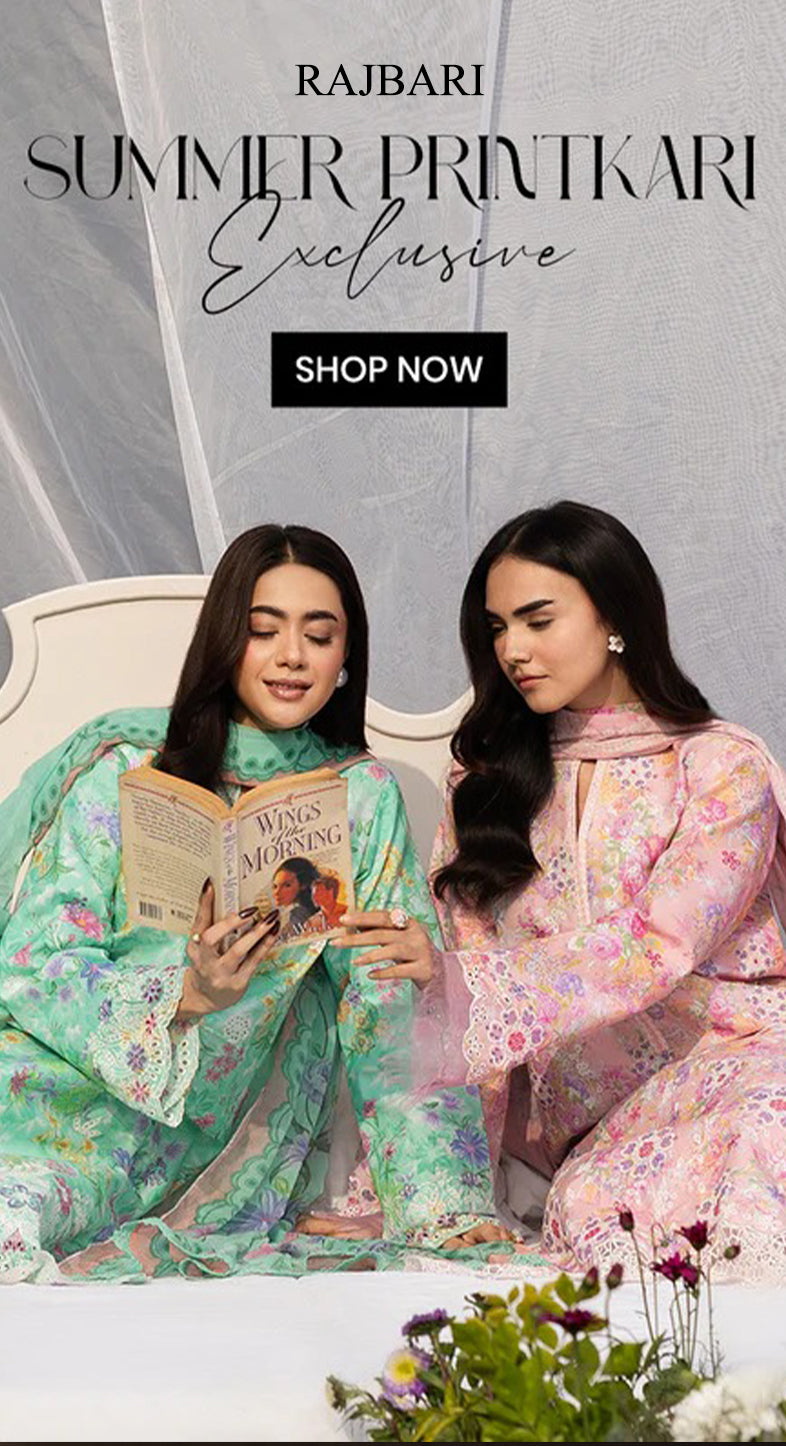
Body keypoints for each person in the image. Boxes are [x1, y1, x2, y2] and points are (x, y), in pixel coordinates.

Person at [0, 524, 509, 1283]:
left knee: (18, 1218)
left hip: (177, 1134)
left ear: (346, 656)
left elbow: (385, 1006)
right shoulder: (127, 767)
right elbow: (32, 961)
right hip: (50, 1076)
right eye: (263, 631)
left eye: (319, 635)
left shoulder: (359, 796)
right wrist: (183, 996)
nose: (292, 656)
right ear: (224, 642)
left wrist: (442, 1203)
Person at [341, 500, 786, 1280]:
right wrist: (426, 1193)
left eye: (538, 620)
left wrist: (466, 980)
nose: (512, 649)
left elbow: (659, 941)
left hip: (742, 1057)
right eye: (497, 627)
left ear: (614, 614)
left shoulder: (721, 767)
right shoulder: (486, 784)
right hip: (597, 1119)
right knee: (597, 1207)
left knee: (758, 1136)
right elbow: (460, 1004)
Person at [271, 858, 320, 939]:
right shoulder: (292, 912)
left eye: (287, 885)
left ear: (303, 885)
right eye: (275, 886)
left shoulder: (298, 913)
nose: (276, 892)